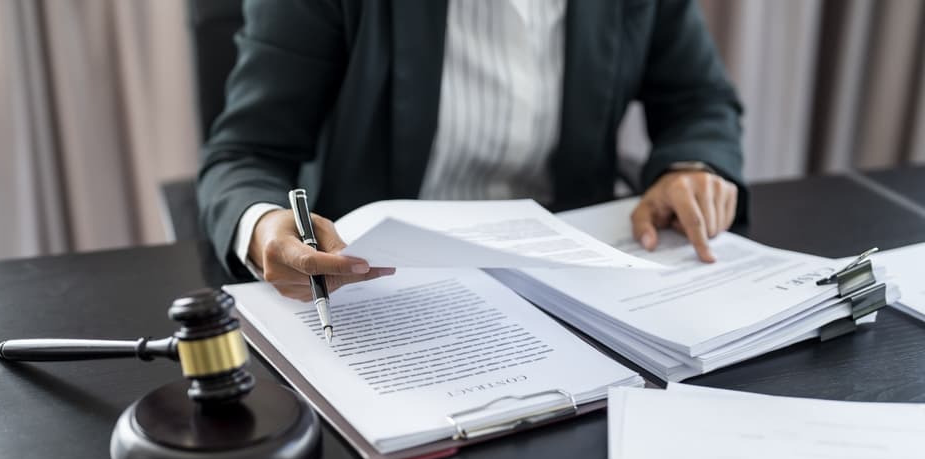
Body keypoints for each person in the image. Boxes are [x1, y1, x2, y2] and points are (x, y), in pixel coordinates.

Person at [198, 0, 745, 299]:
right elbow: (245, 153)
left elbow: (699, 99)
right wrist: (263, 224)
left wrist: (690, 166)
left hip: (570, 274)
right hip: (381, 282)